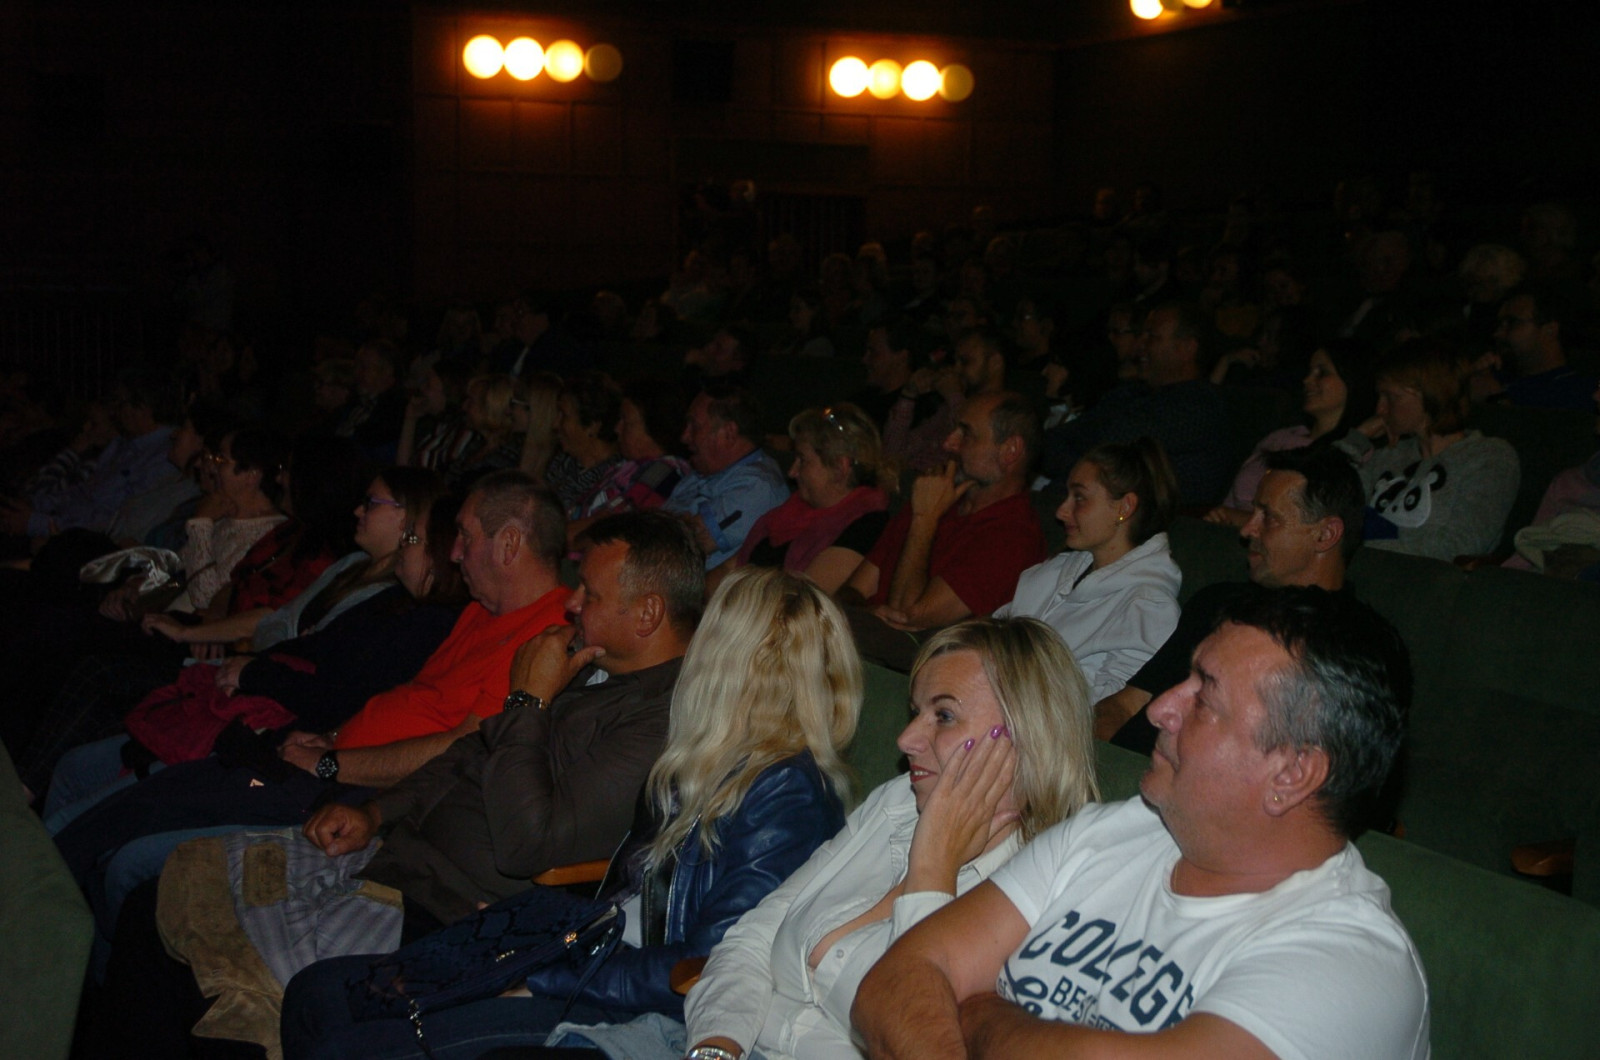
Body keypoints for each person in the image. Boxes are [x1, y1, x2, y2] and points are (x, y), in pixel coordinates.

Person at [279, 566, 862, 1059]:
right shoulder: (709, 760)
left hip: (636, 1002)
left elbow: (707, 965)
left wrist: (540, 973)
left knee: (350, 1039)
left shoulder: (787, 794)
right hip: (592, 956)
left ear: (732, 662)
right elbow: (631, 894)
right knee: (317, 993)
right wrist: (530, 927)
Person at [853, 588, 1429, 1060]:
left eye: (1204, 699)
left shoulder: (1352, 967)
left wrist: (979, 1011)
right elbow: (894, 982)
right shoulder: (1109, 833)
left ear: (1293, 772)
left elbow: (941, 991)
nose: (1160, 708)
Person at [540, 615, 1098, 1060]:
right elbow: (750, 938)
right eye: (915, 712)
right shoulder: (897, 803)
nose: (906, 738)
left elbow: (916, 1031)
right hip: (711, 1043)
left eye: (944, 716)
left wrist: (932, 873)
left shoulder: (1044, 901)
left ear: (1026, 737)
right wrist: (717, 1049)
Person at [1098, 444, 1363, 752]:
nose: (1247, 529)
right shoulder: (1216, 602)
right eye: (1253, 512)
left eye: (1269, 517)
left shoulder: (1344, 647)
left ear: (1325, 534)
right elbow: (1125, 704)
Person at [843, 392, 1047, 646]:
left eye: (966, 434)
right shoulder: (936, 498)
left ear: (1010, 451)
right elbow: (850, 592)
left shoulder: (1013, 535)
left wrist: (924, 520)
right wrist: (867, 614)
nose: (948, 444)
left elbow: (905, 620)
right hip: (857, 643)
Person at [995, 438, 1181, 703]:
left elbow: (1112, 709)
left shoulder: (1148, 607)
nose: (1061, 511)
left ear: (1124, 507)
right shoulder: (1057, 570)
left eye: (1080, 498)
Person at [1336, 337, 1519, 561]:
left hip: (1426, 579)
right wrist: (1356, 440)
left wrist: (1353, 536)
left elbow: (1458, 546)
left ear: (1430, 394)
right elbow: (1323, 503)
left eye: (1391, 397)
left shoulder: (1489, 457)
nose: (1380, 409)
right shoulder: (1388, 455)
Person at [1040, 301, 1230, 506]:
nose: (1140, 345)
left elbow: (1112, 453)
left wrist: (1080, 467)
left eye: (1151, 336)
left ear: (1186, 348)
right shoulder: (1129, 393)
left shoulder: (1198, 408)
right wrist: (1084, 468)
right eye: (1141, 335)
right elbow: (1053, 442)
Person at [1207, 338, 1376, 525]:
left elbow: (1311, 525)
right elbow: (1229, 501)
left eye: (1322, 373)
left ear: (1352, 381)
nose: (1307, 380)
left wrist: (1238, 519)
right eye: (1310, 372)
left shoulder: (1357, 452)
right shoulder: (1281, 437)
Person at [727, 403, 891, 594]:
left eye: (802, 460)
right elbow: (729, 570)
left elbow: (802, 600)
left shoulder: (866, 526)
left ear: (840, 468)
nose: (792, 472)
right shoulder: (790, 511)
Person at [663, 379, 788, 569]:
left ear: (729, 433)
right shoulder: (702, 473)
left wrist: (666, 523)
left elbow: (677, 545)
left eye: (695, 426)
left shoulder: (757, 486)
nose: (684, 436)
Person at [546, 372, 624, 518]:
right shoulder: (563, 464)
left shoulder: (616, 480)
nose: (555, 424)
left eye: (564, 415)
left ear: (592, 426)